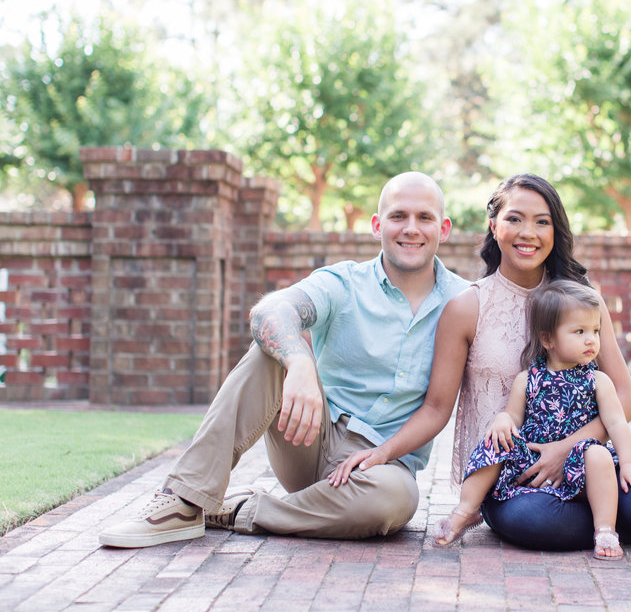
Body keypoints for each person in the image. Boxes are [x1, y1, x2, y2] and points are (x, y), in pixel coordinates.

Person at [330, 173, 631, 550]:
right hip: (510, 483)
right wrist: (381, 453)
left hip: (587, 466)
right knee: (538, 525)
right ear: (494, 227)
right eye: (514, 219)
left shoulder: (582, 302)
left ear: (555, 230)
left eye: (542, 221)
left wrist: (564, 449)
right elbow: (437, 408)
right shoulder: (466, 307)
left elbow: (626, 400)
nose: (527, 232)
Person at [98, 171, 468, 548]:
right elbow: (270, 310)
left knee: (396, 501)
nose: (411, 229)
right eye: (398, 216)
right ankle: (184, 501)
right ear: (377, 225)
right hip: (309, 439)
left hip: (383, 468)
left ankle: (244, 510)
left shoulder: (463, 301)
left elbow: (439, 406)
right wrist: (300, 364)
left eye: (424, 218)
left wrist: (383, 454)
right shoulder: (343, 283)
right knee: (271, 352)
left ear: (444, 228)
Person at [434, 281, 631, 559]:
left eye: (595, 331)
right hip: (534, 463)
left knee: (599, 454)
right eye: (580, 332)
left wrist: (628, 465)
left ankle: (605, 530)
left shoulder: (597, 381)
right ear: (548, 339)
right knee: (496, 439)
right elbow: (514, 416)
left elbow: (616, 424)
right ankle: (465, 511)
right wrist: (503, 421)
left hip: (580, 464)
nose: (591, 340)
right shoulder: (527, 380)